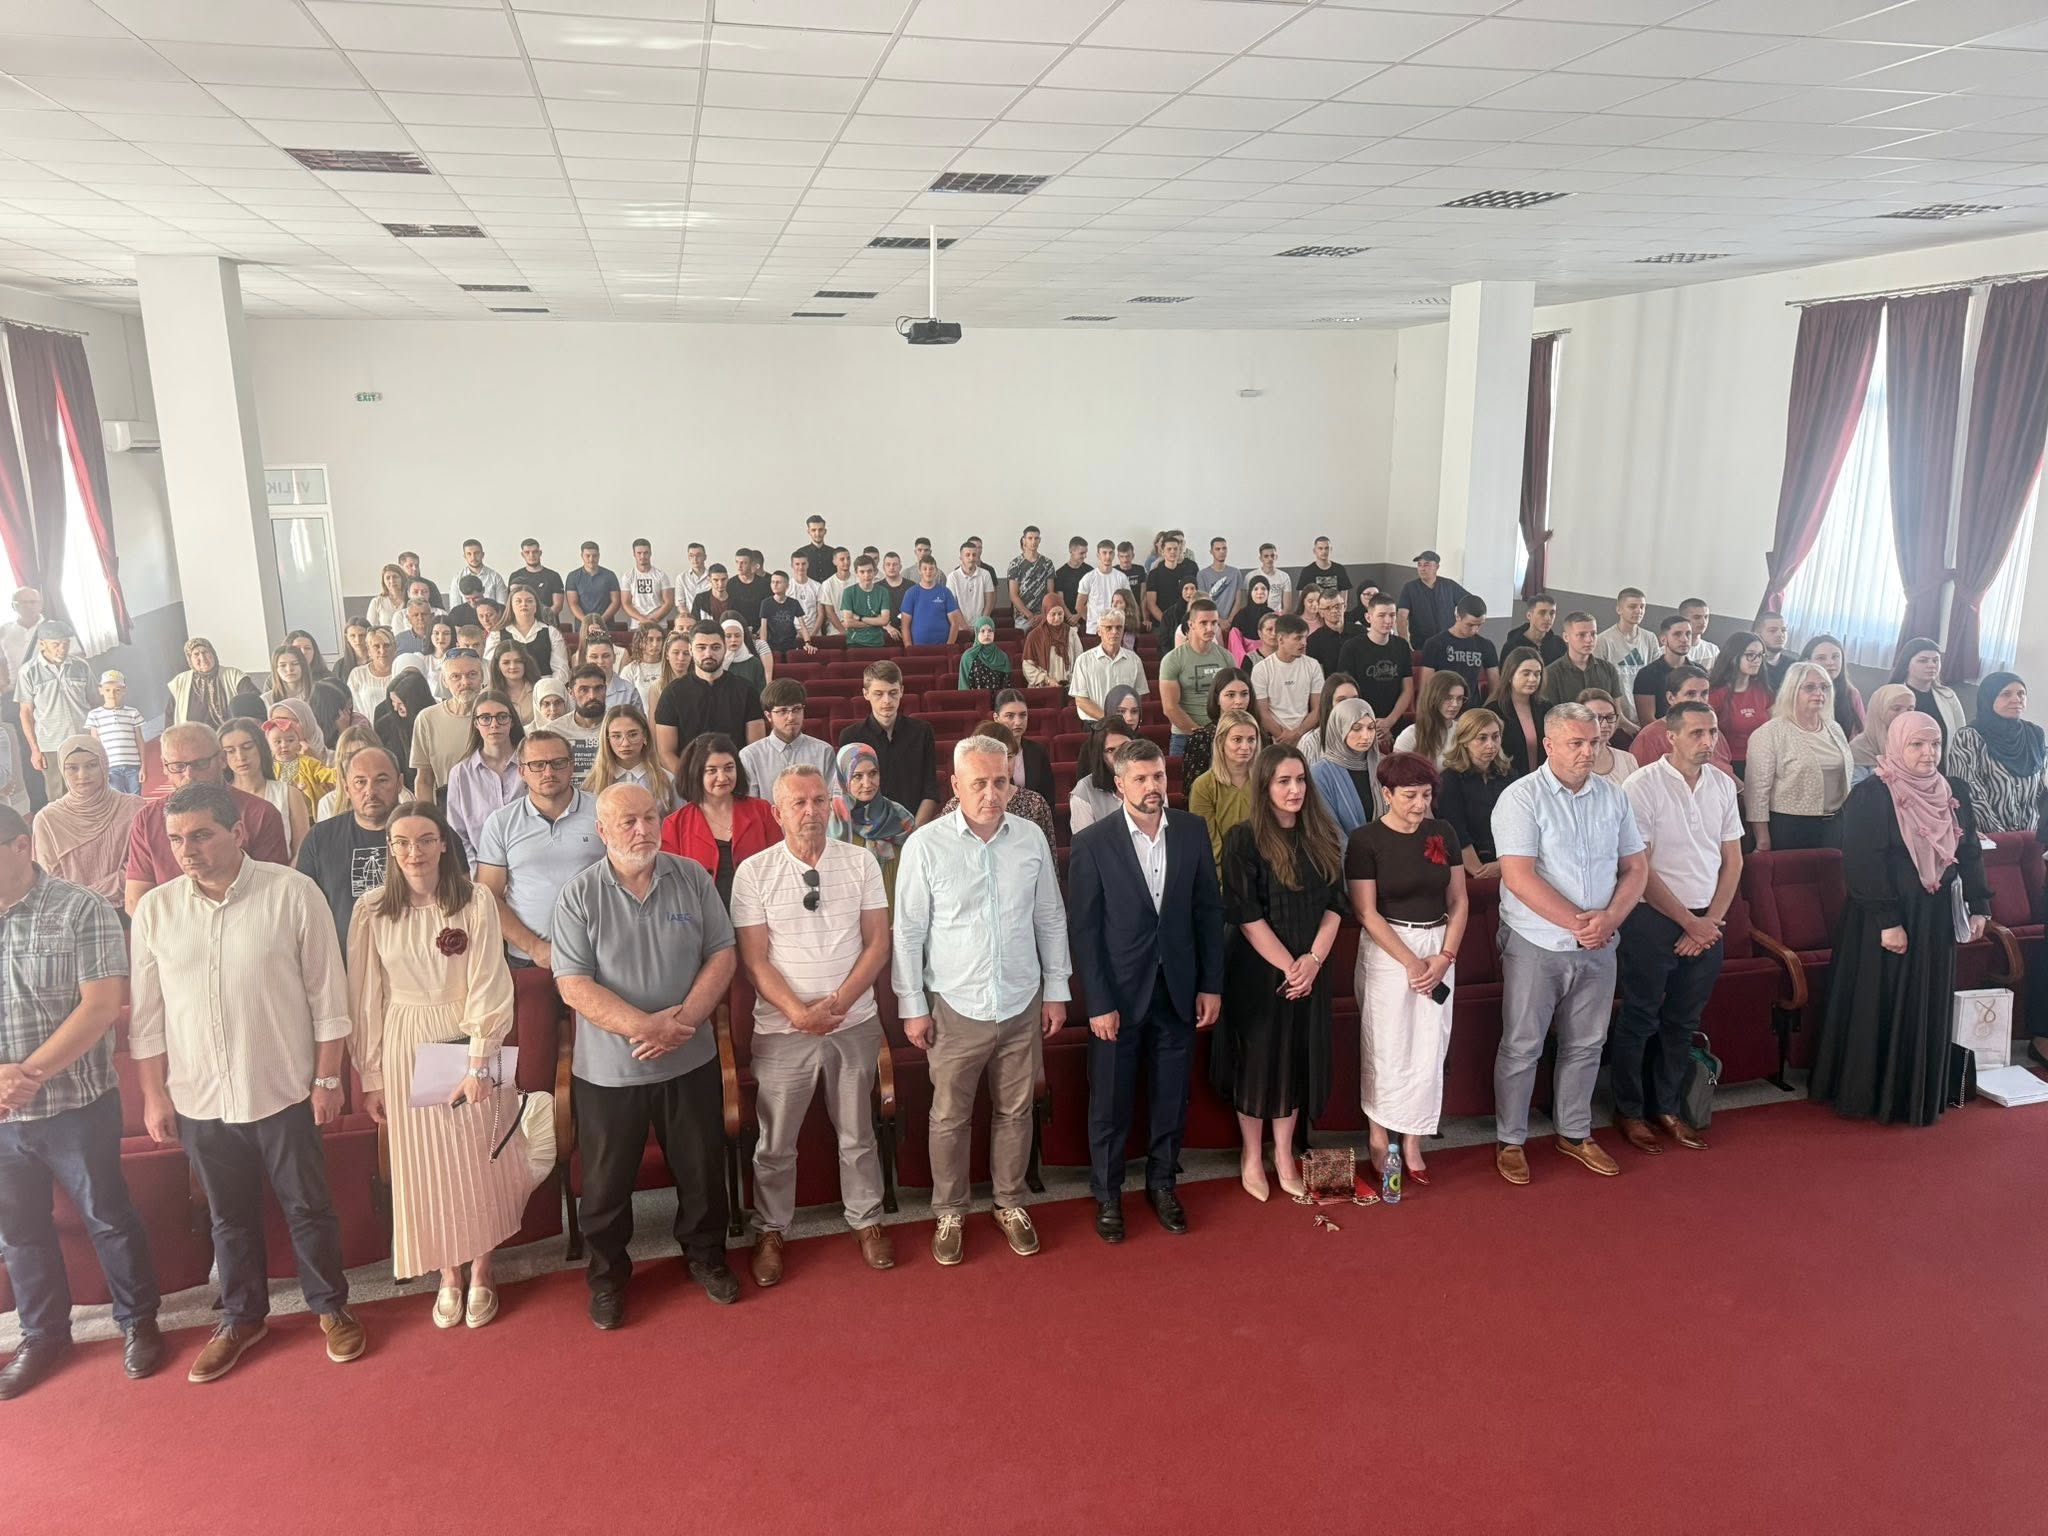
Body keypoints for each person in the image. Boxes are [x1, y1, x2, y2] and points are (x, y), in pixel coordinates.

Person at [130, 783, 367, 1381]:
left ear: (237, 833)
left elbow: (328, 997)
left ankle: (330, 1307)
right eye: (176, 839)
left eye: (201, 835)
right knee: (227, 1216)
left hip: (283, 1085)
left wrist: (327, 1078)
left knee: (308, 1206)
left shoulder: (292, 893)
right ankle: (242, 1318)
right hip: (200, 1094)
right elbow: (147, 1016)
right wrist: (154, 1094)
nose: (187, 850)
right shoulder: (156, 910)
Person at [552, 784, 741, 1321]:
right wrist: (646, 1028)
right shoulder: (578, 895)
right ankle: (607, 1278)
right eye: (628, 822)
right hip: (609, 1072)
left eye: (650, 818)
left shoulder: (692, 877)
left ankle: (706, 1257)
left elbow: (722, 955)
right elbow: (573, 984)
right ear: (602, 831)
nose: (642, 830)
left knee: (701, 1172)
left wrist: (681, 1023)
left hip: (690, 1057)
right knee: (606, 1187)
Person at [0, 805, 161, 1399]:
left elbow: (100, 1007)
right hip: (3, 1116)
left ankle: (138, 1320)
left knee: (107, 1216)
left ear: (22, 846)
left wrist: (28, 1075)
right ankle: (43, 1336)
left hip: (75, 1105)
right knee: (18, 1231)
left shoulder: (80, 908)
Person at [346, 799, 526, 1328]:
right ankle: (449, 1273)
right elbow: (366, 996)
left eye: (425, 839)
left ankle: (483, 1269)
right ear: (390, 849)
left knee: (479, 1155)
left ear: (443, 844)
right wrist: (372, 1074)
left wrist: (479, 1060)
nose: (414, 852)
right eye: (402, 842)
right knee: (426, 1164)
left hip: (468, 1032)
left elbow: (490, 979)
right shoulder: (372, 910)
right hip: (406, 1038)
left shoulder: (474, 900)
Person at [726, 766, 895, 1284]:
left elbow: (878, 944)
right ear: (776, 813)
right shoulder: (753, 872)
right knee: (775, 1142)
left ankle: (866, 1220)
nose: (811, 811)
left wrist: (837, 1004)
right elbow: (754, 961)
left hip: (853, 1021)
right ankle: (771, 1229)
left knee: (858, 1133)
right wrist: (800, 1015)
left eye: (820, 800)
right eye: (798, 803)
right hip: (783, 1031)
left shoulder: (861, 861)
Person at [1068, 739, 1224, 1241]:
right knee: (1110, 1103)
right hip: (1117, 997)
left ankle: (1162, 1183)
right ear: (1119, 784)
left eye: (1157, 776)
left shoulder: (1192, 832)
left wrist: (1210, 985)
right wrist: (1098, 1002)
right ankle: (1108, 1194)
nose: (1152, 786)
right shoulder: (1093, 842)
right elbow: (1084, 931)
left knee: (1171, 1097)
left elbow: (1208, 913)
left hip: (1178, 991)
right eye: (1140, 779)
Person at [1489, 704, 1648, 1185]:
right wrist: (1583, 925)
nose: (1588, 752)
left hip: (1600, 941)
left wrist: (1611, 919)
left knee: (1588, 1042)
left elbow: (1636, 868)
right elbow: (1518, 877)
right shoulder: (1521, 797)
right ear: (1550, 745)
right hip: (1536, 940)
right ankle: (1511, 1140)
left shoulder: (1614, 796)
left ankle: (1575, 1133)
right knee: (1523, 1044)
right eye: (1576, 743)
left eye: (1594, 742)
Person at [1809, 713, 1991, 1127]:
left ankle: (1915, 1092)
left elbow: (1969, 850)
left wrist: (1979, 904)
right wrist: (1887, 920)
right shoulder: (1872, 794)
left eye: (1935, 744)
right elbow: (1862, 862)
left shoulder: (1953, 790)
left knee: (1926, 1000)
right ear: (1896, 745)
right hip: (1884, 916)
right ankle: (1872, 1095)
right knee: (1880, 999)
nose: (1929, 753)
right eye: (1917, 745)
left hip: (1935, 916)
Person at [1213, 744, 1346, 1201]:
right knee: (1258, 1064)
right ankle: (1252, 1155)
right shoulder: (1243, 838)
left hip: (1311, 968)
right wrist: (1291, 967)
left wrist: (1313, 962)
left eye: (1300, 780)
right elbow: (1245, 915)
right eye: (1283, 781)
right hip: (1259, 971)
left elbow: (1336, 905)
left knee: (1295, 1060)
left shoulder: (1323, 835)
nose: (1295, 790)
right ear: (1265, 786)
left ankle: (1284, 1154)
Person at [1614, 699, 1741, 1155]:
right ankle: (1629, 1110)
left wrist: (1710, 922)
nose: (1708, 741)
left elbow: (1733, 861)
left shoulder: (1722, 784)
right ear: (1671, 737)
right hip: (1652, 918)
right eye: (1696, 733)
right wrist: (1689, 923)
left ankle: (1666, 1107)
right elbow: (1640, 868)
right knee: (1640, 1016)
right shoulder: (1641, 785)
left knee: (1684, 1019)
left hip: (1708, 919)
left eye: (1713, 732)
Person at [1348, 750, 1466, 1187]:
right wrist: (1411, 961)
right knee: (1387, 1045)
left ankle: (1414, 1139)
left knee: (1431, 1044)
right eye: (1410, 796)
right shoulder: (1365, 840)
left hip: (1438, 944)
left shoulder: (1443, 831)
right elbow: (1366, 911)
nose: (1420, 804)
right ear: (1387, 794)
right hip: (1389, 949)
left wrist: (1444, 956)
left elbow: (1459, 899)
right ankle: (1379, 1135)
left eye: (1426, 795)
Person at [126, 724, 291, 913]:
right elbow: (136, 901)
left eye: (200, 764)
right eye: (178, 766)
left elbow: (272, 894)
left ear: (222, 759)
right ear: (164, 766)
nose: (189, 775)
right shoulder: (147, 820)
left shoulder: (260, 814)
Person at [475, 731, 603, 968]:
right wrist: (534, 947)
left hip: (599, 952)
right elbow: (488, 896)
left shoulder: (603, 811)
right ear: (522, 772)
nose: (548, 772)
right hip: (529, 958)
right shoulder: (501, 822)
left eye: (558, 763)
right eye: (537, 765)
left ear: (572, 766)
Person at [1744, 662, 1856, 851]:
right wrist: (1762, 840)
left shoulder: (1834, 728)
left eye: (1824, 687)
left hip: (1835, 823)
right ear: (1792, 690)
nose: (1819, 693)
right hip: (1791, 826)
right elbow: (1757, 793)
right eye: (1810, 687)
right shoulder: (1770, 733)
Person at [296, 745, 400, 949]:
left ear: (400, 783)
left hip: (411, 958)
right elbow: (304, 909)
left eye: (381, 780)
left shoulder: (427, 833)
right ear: (346, 789)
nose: (370, 791)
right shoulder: (320, 838)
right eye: (360, 782)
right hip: (341, 959)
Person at [659, 732, 779, 907]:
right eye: (712, 770)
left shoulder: (762, 810)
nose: (722, 777)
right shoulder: (675, 824)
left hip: (760, 908)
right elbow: (671, 884)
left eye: (729, 768)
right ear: (696, 773)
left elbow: (778, 865)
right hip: (700, 913)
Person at [30, 736, 141, 904]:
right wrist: (85, 901)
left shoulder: (134, 808)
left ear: (104, 765)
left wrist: (88, 896)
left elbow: (140, 867)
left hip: (127, 905)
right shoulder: (47, 819)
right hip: (71, 911)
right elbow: (49, 880)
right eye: (72, 768)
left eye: (91, 765)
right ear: (62, 770)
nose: (83, 775)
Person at [654, 622, 766, 775]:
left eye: (715, 647)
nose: (708, 654)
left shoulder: (746, 690)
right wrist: (691, 782)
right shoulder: (672, 693)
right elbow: (666, 753)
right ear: (690, 650)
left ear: (725, 648)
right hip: (688, 780)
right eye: (701, 648)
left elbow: (755, 748)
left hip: (735, 778)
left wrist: (733, 778)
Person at [838, 660, 938, 825]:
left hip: (915, 825)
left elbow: (930, 789)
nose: (887, 700)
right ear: (866, 694)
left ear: (901, 691)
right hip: (868, 827)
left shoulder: (922, 731)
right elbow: (849, 792)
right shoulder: (850, 736)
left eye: (893, 693)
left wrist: (915, 832)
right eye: (879, 694)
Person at [1948, 672, 2044, 835]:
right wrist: (2002, 836)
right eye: (2006, 694)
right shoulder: (1970, 737)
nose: (2016, 699)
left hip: (2032, 836)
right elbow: (1969, 792)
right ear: (1988, 698)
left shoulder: (2035, 734)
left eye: (2021, 694)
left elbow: (2041, 788)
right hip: (1989, 838)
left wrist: (2035, 832)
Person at [15, 620, 95, 802]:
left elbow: (95, 702)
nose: (62, 649)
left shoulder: (81, 666)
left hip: (84, 738)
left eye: (66, 643)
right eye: (56, 644)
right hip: (51, 744)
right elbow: (25, 713)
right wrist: (35, 749)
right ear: (42, 644)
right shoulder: (28, 672)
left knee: (91, 788)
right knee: (59, 795)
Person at [828, 741, 915, 908]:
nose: (867, 784)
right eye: (857, 776)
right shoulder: (831, 821)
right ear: (843, 777)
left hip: (894, 903)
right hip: (846, 907)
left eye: (873, 773)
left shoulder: (899, 815)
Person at [444, 692, 525, 867]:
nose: (494, 724)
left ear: (512, 721)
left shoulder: (531, 764)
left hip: (529, 864)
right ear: (476, 724)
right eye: (486, 718)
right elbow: (457, 835)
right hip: (481, 869)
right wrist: (477, 873)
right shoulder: (460, 774)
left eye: (502, 717)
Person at [221, 717, 312, 863]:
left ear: (261, 747)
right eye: (230, 751)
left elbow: (302, 849)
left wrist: (285, 875)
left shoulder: (289, 794)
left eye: (247, 747)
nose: (240, 757)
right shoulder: (221, 799)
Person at [1437, 707, 1512, 880]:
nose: (1490, 745)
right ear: (1464, 740)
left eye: (1495, 736)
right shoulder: (1450, 780)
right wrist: (1479, 870)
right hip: (1470, 863)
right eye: (1482, 738)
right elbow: (1456, 832)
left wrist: (1504, 866)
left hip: (1507, 859)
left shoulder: (1509, 775)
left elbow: (1520, 823)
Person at [1340, 593, 1415, 748]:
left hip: (1394, 721)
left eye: (1392, 615)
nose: (1388, 620)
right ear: (1368, 617)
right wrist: (1371, 726)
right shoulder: (1352, 647)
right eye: (1381, 615)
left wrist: (1389, 722)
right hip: (1359, 722)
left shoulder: (1401, 646)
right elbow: (1347, 694)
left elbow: (1407, 689)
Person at [1158, 598, 1229, 757]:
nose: (1210, 628)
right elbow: (1170, 708)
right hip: (1184, 736)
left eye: (1214, 623)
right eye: (1203, 623)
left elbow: (1234, 698)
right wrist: (1201, 734)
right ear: (1191, 624)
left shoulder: (1226, 657)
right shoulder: (1172, 660)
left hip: (1221, 734)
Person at [1629, 666, 1730, 777]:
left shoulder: (1712, 730)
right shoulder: (1650, 736)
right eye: (1691, 694)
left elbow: (1726, 770)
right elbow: (1643, 779)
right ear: (1671, 698)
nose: (1699, 700)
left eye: (1704, 693)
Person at [1890, 637, 1967, 765]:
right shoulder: (1892, 695)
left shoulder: (1947, 696)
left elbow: (1961, 737)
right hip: (1902, 768)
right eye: (1923, 661)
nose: (1932, 665)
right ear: (1906, 664)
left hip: (1942, 769)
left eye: (1936, 660)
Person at [1309, 697, 1380, 835]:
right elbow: (1328, 828)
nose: (1366, 736)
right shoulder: (1320, 773)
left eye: (1371, 728)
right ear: (1339, 728)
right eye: (1356, 728)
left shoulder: (1383, 765)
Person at [1252, 615, 1324, 747]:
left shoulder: (1313, 665)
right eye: (1297, 638)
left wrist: (1298, 733)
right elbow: (1262, 712)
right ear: (1280, 639)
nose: (1304, 643)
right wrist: (1282, 736)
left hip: (1306, 737)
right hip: (1273, 738)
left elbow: (1318, 708)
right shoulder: (1261, 669)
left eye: (1305, 637)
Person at [1707, 631, 1773, 774]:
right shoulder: (1716, 694)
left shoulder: (1762, 690)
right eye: (1750, 655)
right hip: (1727, 763)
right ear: (1733, 657)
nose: (1757, 660)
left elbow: (1774, 726)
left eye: (1760, 655)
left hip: (1761, 759)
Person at [1540, 611, 1627, 714]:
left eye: (1593, 634)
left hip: (1604, 724)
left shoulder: (1608, 669)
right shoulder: (1551, 673)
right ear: (1566, 637)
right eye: (1581, 635)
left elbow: (1617, 713)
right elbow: (1551, 716)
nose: (1589, 640)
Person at [1069, 609, 1147, 723]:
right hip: (1095, 724)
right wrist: (1109, 720)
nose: (1114, 632)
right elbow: (1081, 700)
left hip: (1126, 724)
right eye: (1108, 628)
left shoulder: (1134, 660)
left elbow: (1138, 695)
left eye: (1119, 627)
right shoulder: (1083, 661)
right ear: (1099, 631)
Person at [1417, 596, 1496, 705]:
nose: (1475, 630)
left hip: (1472, 710)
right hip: (1442, 707)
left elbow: (1495, 688)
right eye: (1470, 625)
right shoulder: (1435, 644)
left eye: (1479, 625)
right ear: (1458, 616)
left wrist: (1483, 711)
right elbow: (1425, 688)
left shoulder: (1485, 645)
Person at [166, 636, 257, 730]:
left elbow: (254, 699)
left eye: (205, 652)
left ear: (213, 654)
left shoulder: (233, 675)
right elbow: (170, 716)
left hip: (228, 734)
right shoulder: (180, 681)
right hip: (193, 736)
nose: (202, 658)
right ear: (190, 659)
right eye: (196, 654)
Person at [1179, 667, 1251, 783]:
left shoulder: (1260, 734)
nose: (1239, 701)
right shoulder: (1202, 739)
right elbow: (1193, 788)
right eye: (1231, 695)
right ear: (1217, 699)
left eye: (1244, 694)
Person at [1485, 646, 1548, 777]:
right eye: (1526, 673)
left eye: (1537, 674)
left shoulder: (1545, 708)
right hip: (1506, 780)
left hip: (1542, 781)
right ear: (1510, 676)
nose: (1532, 679)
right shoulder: (1493, 711)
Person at [1594, 589, 1653, 726]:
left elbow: (1653, 678)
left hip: (1643, 715)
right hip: (1614, 719)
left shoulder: (1650, 638)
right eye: (1632, 606)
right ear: (1619, 609)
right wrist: (1619, 719)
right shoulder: (1603, 640)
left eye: (1642, 607)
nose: (1638, 611)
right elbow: (1600, 687)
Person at [83, 670, 144, 796]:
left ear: (124, 690)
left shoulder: (133, 713)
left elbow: (140, 741)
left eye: (117, 690)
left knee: (136, 798)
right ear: (100, 690)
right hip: (111, 767)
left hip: (133, 765)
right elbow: (96, 745)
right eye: (107, 690)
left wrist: (143, 766)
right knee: (117, 798)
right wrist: (100, 769)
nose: (112, 694)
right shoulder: (94, 715)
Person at [1630, 614, 1698, 727]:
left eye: (1688, 634)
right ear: (1663, 639)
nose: (1684, 639)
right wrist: (1678, 735)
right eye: (1677, 634)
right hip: (1660, 734)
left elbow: (1704, 710)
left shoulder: (1699, 673)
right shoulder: (1647, 674)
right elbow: (1647, 720)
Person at [1067, 720, 1133, 836]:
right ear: (1101, 756)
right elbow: (1086, 843)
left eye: (1125, 747)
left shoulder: (1151, 778)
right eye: (1110, 750)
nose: (1120, 755)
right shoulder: (1083, 792)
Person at [1395, 549, 1467, 649]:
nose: (1422, 569)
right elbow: (1401, 618)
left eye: (1426, 565)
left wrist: (1462, 630)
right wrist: (1405, 645)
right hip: (1421, 645)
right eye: (1419, 565)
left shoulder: (1449, 586)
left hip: (1449, 644)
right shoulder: (1410, 588)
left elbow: (1470, 604)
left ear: (1437, 567)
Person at [1850, 683, 1917, 786]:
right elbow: (1856, 790)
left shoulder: (1917, 744)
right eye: (1896, 708)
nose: (1904, 714)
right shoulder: (1859, 748)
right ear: (1879, 710)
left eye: (1910, 709)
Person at [1392, 672, 1464, 767]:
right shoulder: (1410, 735)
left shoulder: (1464, 730)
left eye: (1460, 698)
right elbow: (1397, 774)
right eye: (1448, 698)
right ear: (1433, 698)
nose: (1455, 704)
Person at [1800, 633, 1864, 739]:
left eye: (1835, 657)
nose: (1830, 663)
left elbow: (1860, 735)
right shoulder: (1798, 692)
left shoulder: (1851, 694)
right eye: (1821, 658)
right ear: (1807, 661)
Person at [500, 585, 565, 682]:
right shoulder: (497, 634)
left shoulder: (551, 632)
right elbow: (491, 668)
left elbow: (561, 669)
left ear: (536, 606)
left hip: (544, 686)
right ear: (510, 606)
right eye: (518, 601)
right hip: (509, 687)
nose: (524, 604)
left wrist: (549, 688)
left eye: (529, 601)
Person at [1142, 534, 1198, 647]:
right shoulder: (1154, 574)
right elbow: (1151, 604)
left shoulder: (1187, 572)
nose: (1173, 552)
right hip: (1161, 623)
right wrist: (1167, 622)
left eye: (1175, 549)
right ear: (1162, 551)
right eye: (1169, 549)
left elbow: (1193, 598)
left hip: (1185, 623)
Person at [1578, 688, 1640, 788]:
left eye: (1610, 717)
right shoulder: (1568, 762)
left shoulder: (1628, 759)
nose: (1605, 724)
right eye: (1597, 718)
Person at [898, 555, 962, 646]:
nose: (928, 572)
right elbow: (905, 626)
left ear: (936, 571)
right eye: (925, 569)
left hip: (942, 647)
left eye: (931, 569)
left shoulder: (945, 592)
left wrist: (949, 646)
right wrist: (909, 648)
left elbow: (955, 623)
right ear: (919, 571)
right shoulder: (910, 593)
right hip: (917, 648)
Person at [838, 553, 892, 649]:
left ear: (874, 571)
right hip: (854, 642)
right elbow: (848, 622)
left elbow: (884, 620)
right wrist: (875, 622)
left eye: (869, 571)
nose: (866, 575)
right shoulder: (848, 592)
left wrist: (860, 618)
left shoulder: (883, 592)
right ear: (856, 573)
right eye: (862, 572)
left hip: (878, 642)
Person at [567, 542, 625, 628]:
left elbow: (615, 602)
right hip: (583, 626)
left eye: (594, 556)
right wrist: (587, 622)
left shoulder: (610, 575)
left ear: (599, 556)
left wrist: (600, 621)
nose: (591, 559)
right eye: (588, 556)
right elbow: (573, 604)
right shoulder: (573, 576)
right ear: (582, 556)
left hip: (607, 625)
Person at [1297, 535, 1353, 622]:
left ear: (1331, 550)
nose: (1324, 551)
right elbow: (1302, 598)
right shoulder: (1307, 571)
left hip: (1335, 613)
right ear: (1314, 551)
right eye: (1320, 548)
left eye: (1326, 548)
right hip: (1315, 614)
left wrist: (1339, 612)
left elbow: (1344, 599)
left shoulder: (1339, 569)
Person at [1505, 594, 1567, 667]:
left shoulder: (1558, 644)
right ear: (1529, 616)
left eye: (1552, 613)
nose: (1548, 618)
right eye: (1542, 613)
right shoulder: (1513, 645)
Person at [448, 538, 508, 608]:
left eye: (476, 553)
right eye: (469, 554)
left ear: (483, 555)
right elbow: (455, 608)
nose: (473, 557)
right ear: (465, 557)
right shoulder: (457, 579)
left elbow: (502, 607)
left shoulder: (495, 578)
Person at [1228, 574, 1273, 665]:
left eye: (1263, 589)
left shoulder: (1274, 616)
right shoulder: (1240, 617)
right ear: (1250, 592)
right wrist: (1247, 664)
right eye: (1255, 589)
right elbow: (1236, 649)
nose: (1260, 592)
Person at [958, 615, 1011, 691]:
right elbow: (964, 686)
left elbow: (1006, 686)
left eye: (990, 630)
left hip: (998, 698)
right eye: (982, 631)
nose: (987, 634)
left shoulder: (1002, 656)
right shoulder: (968, 656)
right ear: (977, 633)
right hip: (974, 698)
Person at [1756, 611, 1794, 693]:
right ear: (1758, 634)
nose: (1780, 635)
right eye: (1772, 630)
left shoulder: (1793, 666)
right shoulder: (1752, 664)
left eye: (1783, 630)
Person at [367, 563, 411, 630]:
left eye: (395, 577)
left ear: (402, 578)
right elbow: (371, 627)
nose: (392, 581)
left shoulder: (410, 600)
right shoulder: (377, 602)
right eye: (388, 578)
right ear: (384, 582)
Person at [1679, 598, 1719, 669]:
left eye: (1706, 617)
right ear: (1682, 619)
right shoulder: (1668, 651)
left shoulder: (1713, 651)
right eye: (1697, 617)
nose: (1703, 622)